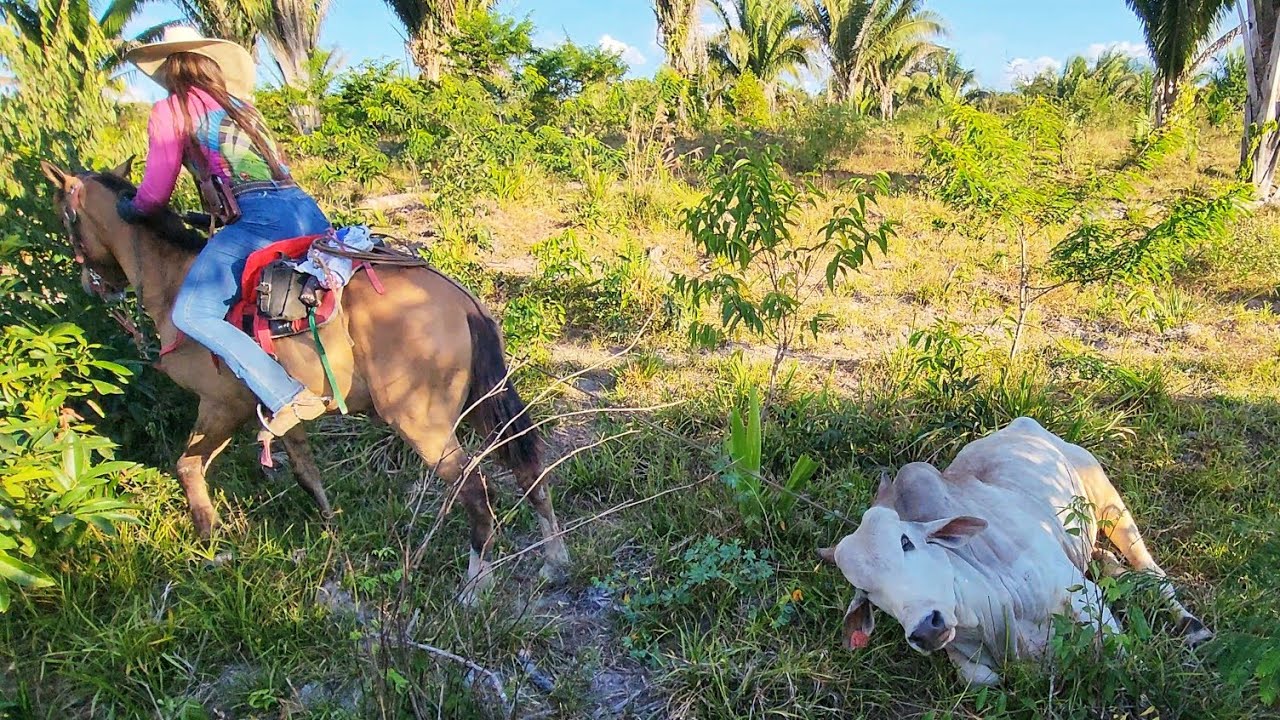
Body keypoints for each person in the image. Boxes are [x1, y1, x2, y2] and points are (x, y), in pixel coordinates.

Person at [118, 27, 330, 437]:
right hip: (307, 210)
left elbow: (156, 191)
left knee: (192, 312)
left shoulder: (172, 110)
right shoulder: (241, 105)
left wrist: (132, 207)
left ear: (168, 70)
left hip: (261, 219)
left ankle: (286, 393)